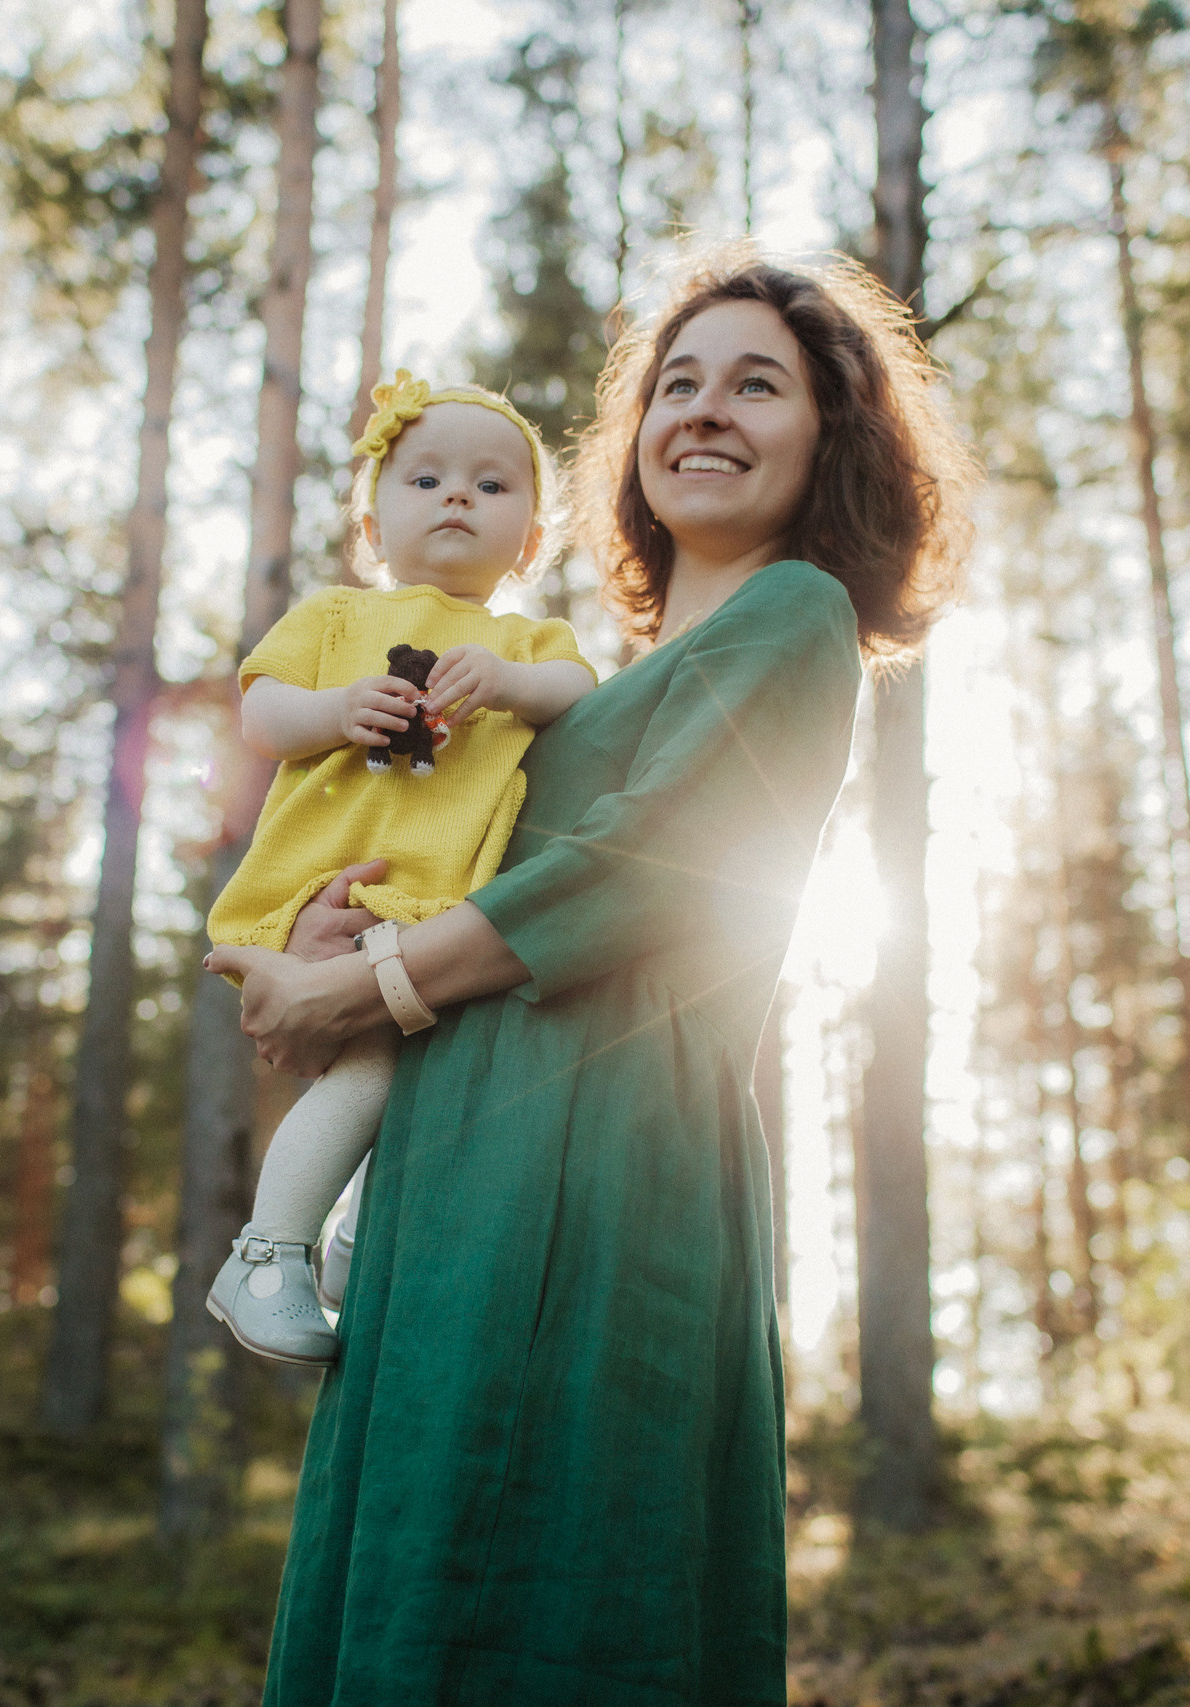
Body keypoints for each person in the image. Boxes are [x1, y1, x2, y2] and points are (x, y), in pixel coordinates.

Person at [206, 245, 978, 1706]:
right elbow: (435, 852)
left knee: (558, 1598)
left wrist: (370, 990)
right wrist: (323, 929)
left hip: (610, 1167)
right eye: (676, 383)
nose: (704, 410)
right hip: (446, 1182)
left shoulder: (794, 615)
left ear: (833, 435)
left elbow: (644, 874)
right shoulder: (583, 685)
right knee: (417, 1589)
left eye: (759, 383)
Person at [204, 373, 598, 1365]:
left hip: (441, 910)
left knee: (434, 1083)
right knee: (372, 1073)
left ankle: (348, 1244)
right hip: (333, 887)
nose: (457, 496)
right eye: (424, 478)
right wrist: (339, 711)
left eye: (492, 485)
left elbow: (572, 690)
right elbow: (260, 713)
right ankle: (266, 1253)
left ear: (532, 540)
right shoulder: (336, 618)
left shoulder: (524, 642)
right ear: (373, 528)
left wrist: (505, 683)